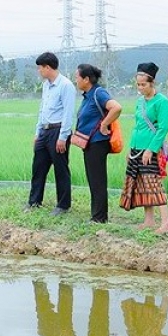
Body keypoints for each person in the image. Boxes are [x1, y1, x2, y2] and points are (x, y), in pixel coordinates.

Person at [120, 62, 168, 233]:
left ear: (152, 83)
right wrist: (130, 147)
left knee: (153, 183)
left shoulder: (162, 102)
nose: (140, 87)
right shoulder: (139, 102)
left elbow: (163, 128)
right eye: (138, 84)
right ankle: (149, 220)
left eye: (143, 84)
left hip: (151, 149)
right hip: (137, 148)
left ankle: (166, 222)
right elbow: (137, 125)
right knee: (141, 184)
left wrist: (151, 149)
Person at [28, 52, 76, 215]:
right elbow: (42, 109)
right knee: (38, 166)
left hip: (58, 130)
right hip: (44, 130)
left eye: (40, 68)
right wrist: (37, 131)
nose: (39, 71)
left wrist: (63, 137)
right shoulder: (46, 85)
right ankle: (34, 201)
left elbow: (68, 113)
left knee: (60, 168)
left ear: (48, 67)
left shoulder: (66, 85)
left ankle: (63, 205)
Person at [74, 63, 122, 224]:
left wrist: (104, 124)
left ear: (86, 79)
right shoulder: (88, 95)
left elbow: (116, 108)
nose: (76, 80)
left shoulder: (99, 93)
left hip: (97, 144)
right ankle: (97, 215)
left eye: (77, 77)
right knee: (93, 179)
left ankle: (100, 217)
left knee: (98, 181)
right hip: (89, 144)